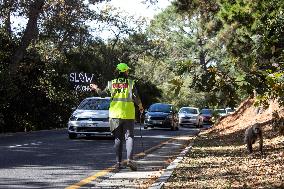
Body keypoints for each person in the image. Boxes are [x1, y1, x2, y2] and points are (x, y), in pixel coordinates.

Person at [90, 63, 144, 171]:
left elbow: (102, 94)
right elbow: (136, 97)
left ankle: (118, 163)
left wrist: (96, 88)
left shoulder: (111, 83)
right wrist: (141, 107)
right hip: (128, 114)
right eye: (127, 71)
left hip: (114, 115)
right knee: (129, 137)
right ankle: (129, 160)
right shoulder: (130, 83)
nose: (128, 72)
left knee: (117, 138)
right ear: (125, 72)